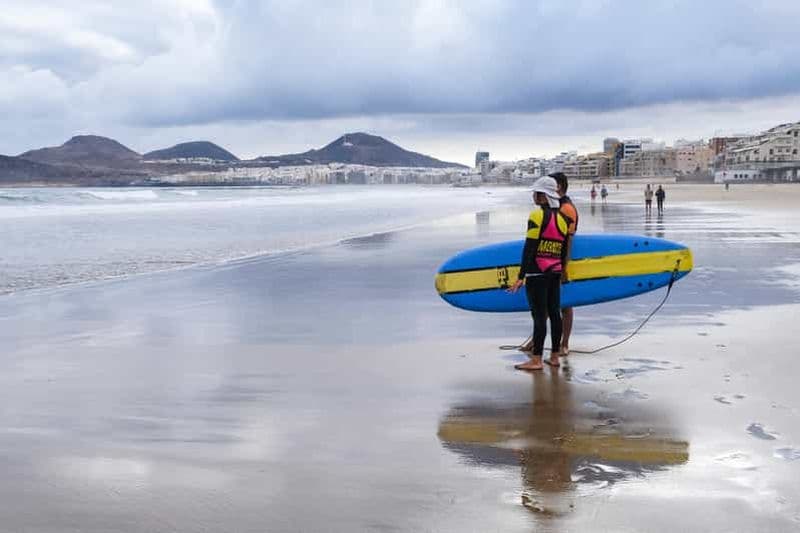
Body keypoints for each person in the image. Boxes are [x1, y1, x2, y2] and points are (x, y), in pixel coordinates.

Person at [508, 176, 570, 371]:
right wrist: (560, 271)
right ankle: (554, 357)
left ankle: (536, 359)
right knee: (554, 313)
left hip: (537, 273)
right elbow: (561, 250)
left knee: (539, 316)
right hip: (555, 271)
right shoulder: (563, 219)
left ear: (544, 196)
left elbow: (530, 248)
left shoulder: (537, 216)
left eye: (536, 193)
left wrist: (520, 276)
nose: (534, 196)